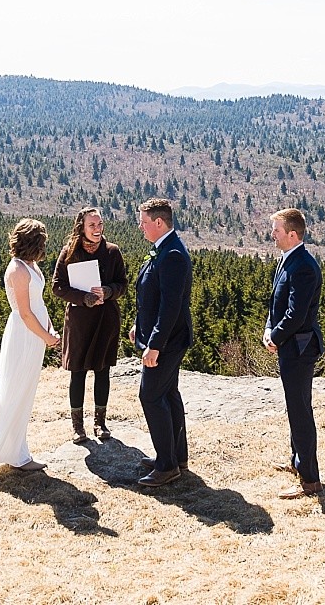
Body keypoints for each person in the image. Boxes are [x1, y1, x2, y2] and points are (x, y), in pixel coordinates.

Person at [0, 218, 61, 476]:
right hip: (24, 335)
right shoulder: (17, 270)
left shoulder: (30, 265)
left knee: (26, 391)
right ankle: (10, 453)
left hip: (36, 331)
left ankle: (17, 450)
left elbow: (38, 303)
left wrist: (50, 328)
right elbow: (24, 313)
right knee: (15, 390)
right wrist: (46, 336)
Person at [128, 198, 192, 487]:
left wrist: (154, 344)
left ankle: (167, 466)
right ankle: (175, 455)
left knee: (151, 396)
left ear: (159, 222)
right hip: (163, 336)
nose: (140, 226)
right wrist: (138, 327)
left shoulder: (173, 255)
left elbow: (170, 306)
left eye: (143, 222)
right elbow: (152, 297)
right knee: (168, 394)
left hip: (168, 341)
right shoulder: (163, 249)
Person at [51, 207, 128, 442]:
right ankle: (77, 427)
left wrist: (108, 291)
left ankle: (100, 423)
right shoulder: (69, 252)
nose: (97, 229)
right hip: (79, 321)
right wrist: (83, 298)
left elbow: (123, 284)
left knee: (102, 371)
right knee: (78, 373)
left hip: (106, 319)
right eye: (92, 225)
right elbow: (58, 286)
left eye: (100, 224)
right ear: (81, 227)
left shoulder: (112, 252)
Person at [264, 208, 325, 498]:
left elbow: (296, 314)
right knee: (294, 406)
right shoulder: (287, 260)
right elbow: (275, 301)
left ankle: (310, 481)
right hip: (289, 345)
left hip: (299, 347)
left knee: (300, 410)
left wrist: (275, 337)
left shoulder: (304, 266)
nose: (272, 234)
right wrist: (268, 329)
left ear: (292, 234)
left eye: (276, 230)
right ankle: (297, 461)